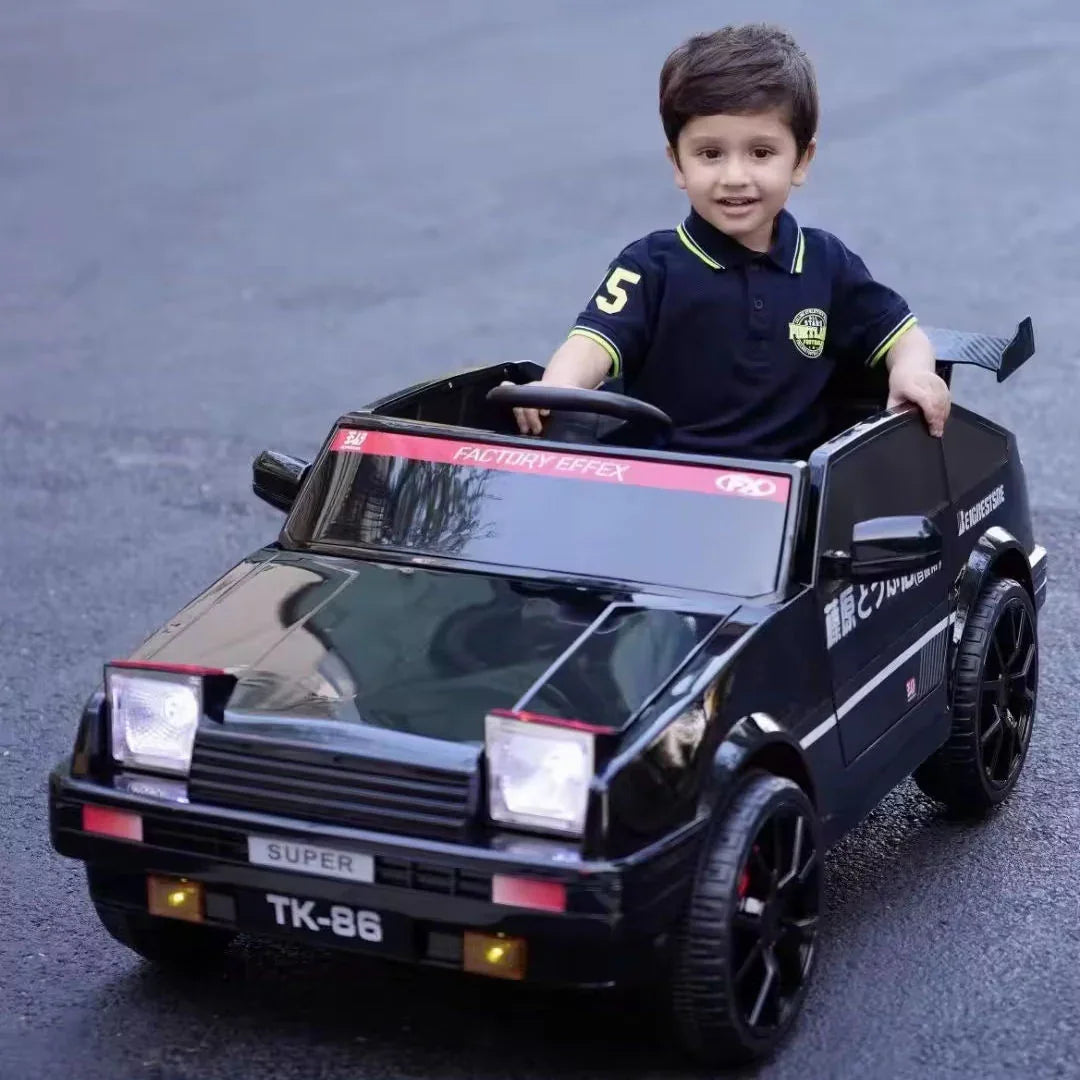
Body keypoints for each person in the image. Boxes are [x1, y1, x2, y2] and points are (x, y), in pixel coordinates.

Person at [510, 24, 950, 458]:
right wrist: (557, 387)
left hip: (789, 502)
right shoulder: (649, 266)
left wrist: (913, 372)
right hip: (660, 484)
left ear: (801, 160)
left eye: (761, 153)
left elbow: (903, 335)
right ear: (678, 164)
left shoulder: (825, 263)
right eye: (710, 154)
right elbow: (591, 345)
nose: (734, 177)